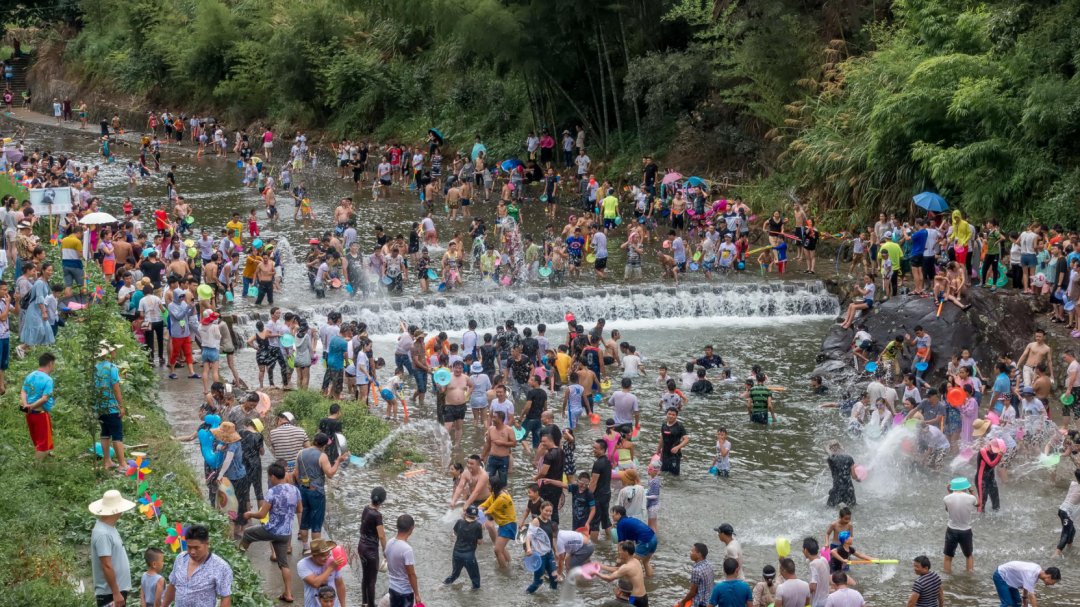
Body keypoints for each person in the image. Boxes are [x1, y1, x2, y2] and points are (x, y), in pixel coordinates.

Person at [240, 462, 301, 604]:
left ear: (273, 476)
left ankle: (237, 557)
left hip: (272, 530)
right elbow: (299, 509)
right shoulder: (295, 490)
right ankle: (288, 594)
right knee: (283, 564)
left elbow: (261, 515)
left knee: (248, 534)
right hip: (286, 533)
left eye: (269, 477)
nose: (269, 479)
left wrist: (249, 514)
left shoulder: (272, 492)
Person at [296, 433, 348, 553]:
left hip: (303, 490)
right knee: (316, 523)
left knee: (304, 519)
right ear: (324, 445)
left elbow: (296, 473)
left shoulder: (301, 453)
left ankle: (305, 547)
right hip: (316, 492)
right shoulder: (322, 456)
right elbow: (330, 474)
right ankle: (316, 551)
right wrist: (338, 461)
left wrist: (303, 485)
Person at [160, 524, 233, 607]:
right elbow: (172, 585)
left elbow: (225, 598)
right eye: (189, 547)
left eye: (196, 547)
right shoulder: (181, 558)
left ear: (207, 543)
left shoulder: (221, 567)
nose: (192, 552)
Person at [89, 490, 136, 607]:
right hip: (110, 593)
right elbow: (106, 565)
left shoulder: (109, 528)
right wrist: (116, 592)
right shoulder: (103, 533)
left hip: (115, 591)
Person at [95, 342, 126, 472]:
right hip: (111, 407)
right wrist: (121, 406)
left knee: (105, 433)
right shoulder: (112, 367)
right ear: (108, 353)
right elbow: (116, 388)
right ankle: (122, 464)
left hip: (100, 407)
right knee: (117, 435)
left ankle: (107, 461)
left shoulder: (95, 368)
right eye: (113, 350)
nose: (115, 352)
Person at [20, 352, 55, 461]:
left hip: (30, 414)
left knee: (38, 438)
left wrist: (26, 405)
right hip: (40, 414)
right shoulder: (48, 379)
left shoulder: (30, 375)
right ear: (50, 364)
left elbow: (23, 391)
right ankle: (37, 467)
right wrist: (31, 406)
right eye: (54, 364)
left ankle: (46, 455)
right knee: (42, 443)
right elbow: (44, 398)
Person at [357, 486, 388, 607]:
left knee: (365, 576)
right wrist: (385, 550)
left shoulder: (366, 509)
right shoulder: (377, 515)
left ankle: (364, 602)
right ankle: (370, 605)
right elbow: (381, 536)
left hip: (361, 546)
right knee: (372, 580)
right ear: (382, 501)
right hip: (371, 551)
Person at [385, 514, 422, 607]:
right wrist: (417, 594)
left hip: (392, 588)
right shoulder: (407, 549)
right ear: (411, 528)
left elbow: (386, 556)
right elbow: (411, 574)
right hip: (404, 592)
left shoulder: (389, 542)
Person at [298, 539, 347, 607]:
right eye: (322, 556)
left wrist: (343, 605)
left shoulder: (332, 561)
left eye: (328, 554)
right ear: (314, 555)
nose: (326, 558)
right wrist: (331, 568)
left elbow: (340, 585)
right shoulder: (303, 564)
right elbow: (315, 583)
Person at [598, 540, 648, 607]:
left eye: (620, 550)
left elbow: (609, 579)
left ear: (626, 552)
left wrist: (596, 573)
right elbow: (618, 569)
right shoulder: (636, 561)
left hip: (633, 598)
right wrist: (602, 567)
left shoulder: (626, 567)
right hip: (644, 596)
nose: (619, 552)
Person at [443, 505, 483, 589]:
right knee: (475, 580)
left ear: (466, 514)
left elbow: (455, 533)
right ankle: (474, 597)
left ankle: (442, 586)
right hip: (469, 556)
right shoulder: (478, 525)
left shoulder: (459, 522)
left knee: (454, 575)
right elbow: (480, 542)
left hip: (456, 553)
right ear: (476, 516)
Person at [612, 505, 658, 577]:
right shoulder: (628, 520)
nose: (612, 515)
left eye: (613, 514)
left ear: (619, 514)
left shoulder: (621, 524)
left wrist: (619, 558)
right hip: (653, 538)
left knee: (630, 562)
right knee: (645, 562)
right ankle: (650, 581)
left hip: (646, 540)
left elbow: (621, 543)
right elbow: (630, 542)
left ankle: (629, 583)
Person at [943, 476, 977, 573]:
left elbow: (947, 509)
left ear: (953, 487)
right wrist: (972, 491)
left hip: (951, 530)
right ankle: (970, 575)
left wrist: (949, 492)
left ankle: (947, 576)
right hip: (966, 530)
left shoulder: (946, 498)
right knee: (969, 555)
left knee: (948, 557)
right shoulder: (971, 498)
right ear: (966, 487)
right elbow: (978, 504)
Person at [992, 561, 1060, 607]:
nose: (1053, 584)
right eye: (1053, 582)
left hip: (1011, 579)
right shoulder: (1031, 574)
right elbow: (1032, 596)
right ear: (1049, 577)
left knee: (1018, 603)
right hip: (1001, 575)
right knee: (1007, 603)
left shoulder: (1037, 571)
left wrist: (1024, 600)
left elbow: (1026, 586)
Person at [1054, 468, 1080, 557]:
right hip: (1066, 513)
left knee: (1072, 531)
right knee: (1066, 532)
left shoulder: (1073, 484)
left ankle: (1070, 548)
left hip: (1062, 511)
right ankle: (1056, 553)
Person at [680, 543, 715, 607]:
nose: (690, 553)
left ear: (699, 554)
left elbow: (693, 592)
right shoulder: (709, 565)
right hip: (709, 601)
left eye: (692, 551)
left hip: (700, 603)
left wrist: (683, 602)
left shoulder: (696, 570)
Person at [657, 407, 689, 475]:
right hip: (665, 454)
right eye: (669, 414)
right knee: (663, 473)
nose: (671, 416)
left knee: (674, 476)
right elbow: (662, 438)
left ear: (676, 416)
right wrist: (658, 450)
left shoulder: (679, 426)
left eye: (673, 415)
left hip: (675, 456)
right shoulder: (664, 425)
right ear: (666, 414)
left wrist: (677, 447)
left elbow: (686, 440)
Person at [825, 440, 857, 507]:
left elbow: (828, 452)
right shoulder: (849, 458)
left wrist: (828, 447)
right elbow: (854, 476)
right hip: (849, 489)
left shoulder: (830, 460)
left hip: (837, 489)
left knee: (828, 508)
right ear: (840, 447)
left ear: (831, 449)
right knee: (853, 509)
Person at [803, 538, 830, 607]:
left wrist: (803, 591)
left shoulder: (813, 564)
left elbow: (813, 587)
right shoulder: (823, 559)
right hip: (826, 598)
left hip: (818, 602)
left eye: (803, 549)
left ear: (806, 550)